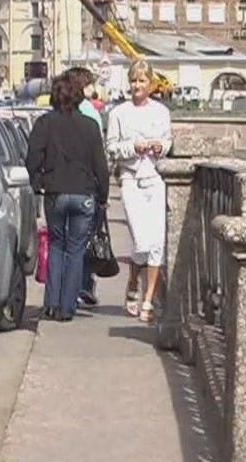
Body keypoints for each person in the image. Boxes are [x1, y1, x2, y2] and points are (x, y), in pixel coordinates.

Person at [26, 73, 110, 322]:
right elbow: (100, 166)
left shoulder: (44, 123)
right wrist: (103, 197)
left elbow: (32, 158)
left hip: (55, 192)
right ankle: (67, 307)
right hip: (84, 194)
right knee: (75, 251)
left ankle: (51, 304)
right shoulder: (90, 126)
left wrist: (38, 183)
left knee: (56, 245)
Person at [106, 59, 172, 323]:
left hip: (155, 178)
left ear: (151, 84)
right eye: (133, 80)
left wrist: (160, 147)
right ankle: (133, 281)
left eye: (142, 81)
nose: (137, 85)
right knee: (142, 243)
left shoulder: (160, 112)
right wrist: (133, 147)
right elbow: (111, 147)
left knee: (157, 245)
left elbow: (168, 141)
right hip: (131, 178)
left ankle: (148, 300)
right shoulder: (118, 113)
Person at [65, 66, 104, 309]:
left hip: (61, 184)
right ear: (83, 86)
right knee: (83, 238)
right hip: (86, 183)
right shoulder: (90, 112)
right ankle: (82, 284)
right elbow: (97, 151)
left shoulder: (62, 110)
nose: (94, 89)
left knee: (65, 240)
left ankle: (67, 288)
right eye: (90, 84)